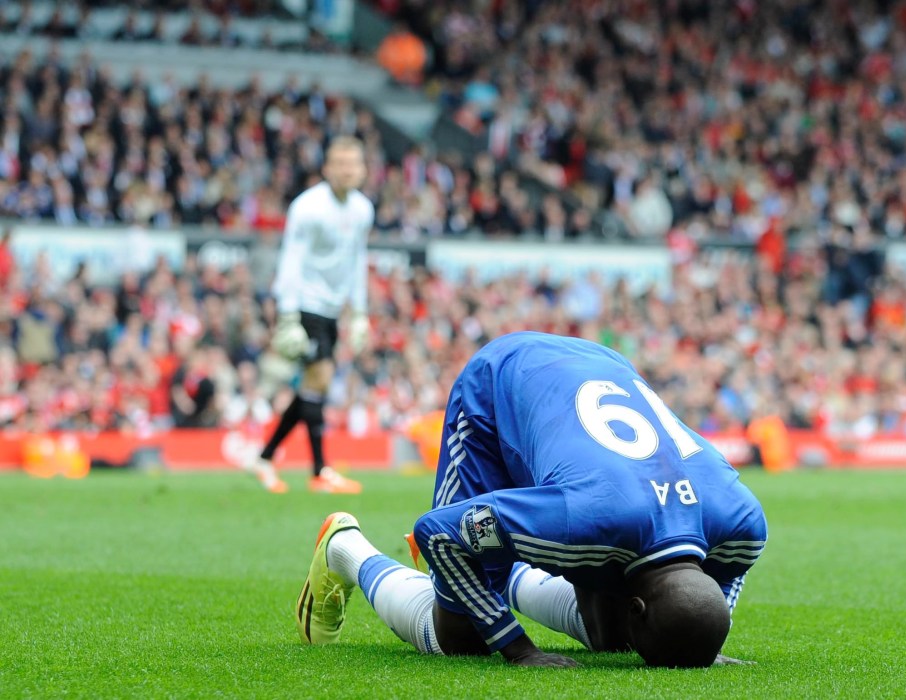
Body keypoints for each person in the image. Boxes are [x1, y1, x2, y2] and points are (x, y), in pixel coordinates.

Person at [293, 332, 767, 667]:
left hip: (600, 368)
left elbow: (714, 591)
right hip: (501, 384)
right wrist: (517, 648)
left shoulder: (745, 524)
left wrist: (705, 636)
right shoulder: (583, 519)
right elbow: (433, 532)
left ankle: (498, 550)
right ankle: (345, 547)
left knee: (615, 635)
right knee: (463, 635)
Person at [246, 136, 374, 494]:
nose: (348, 169)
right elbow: (291, 258)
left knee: (312, 387)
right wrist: (287, 315)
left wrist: (360, 312)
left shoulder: (363, 209)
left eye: (354, 163)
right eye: (341, 163)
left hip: (332, 308)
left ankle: (266, 457)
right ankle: (319, 470)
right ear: (326, 168)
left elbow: (357, 261)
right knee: (319, 377)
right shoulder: (308, 207)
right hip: (305, 303)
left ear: (363, 169)